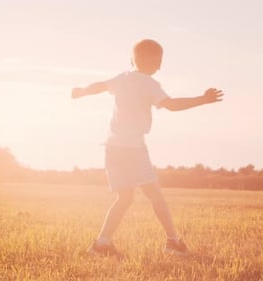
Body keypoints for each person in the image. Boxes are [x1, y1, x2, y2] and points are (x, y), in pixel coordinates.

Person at [71, 39, 224, 257]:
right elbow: (171, 105)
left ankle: (101, 244)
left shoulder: (122, 78)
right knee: (155, 194)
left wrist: (81, 92)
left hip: (112, 147)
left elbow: (100, 86)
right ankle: (173, 242)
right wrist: (203, 99)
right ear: (155, 63)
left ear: (132, 59)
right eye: (159, 61)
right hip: (133, 148)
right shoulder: (149, 84)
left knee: (124, 198)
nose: (160, 66)